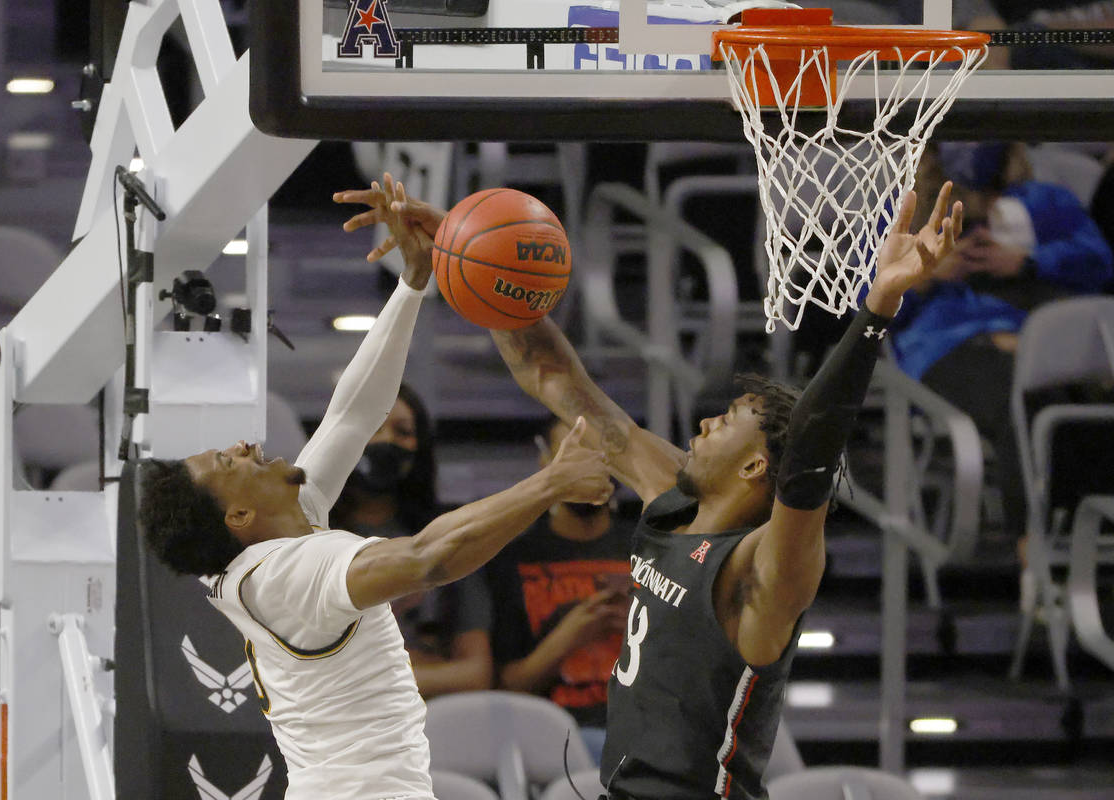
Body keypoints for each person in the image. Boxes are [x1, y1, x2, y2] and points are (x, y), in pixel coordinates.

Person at [380, 180, 963, 798]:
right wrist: (467, 255)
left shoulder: (765, 569)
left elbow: (815, 446)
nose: (705, 423)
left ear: (755, 469)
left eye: (729, 420)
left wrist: (874, 312)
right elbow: (553, 377)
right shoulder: (675, 499)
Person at [136, 174, 614, 800]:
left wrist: (413, 285)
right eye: (229, 462)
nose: (246, 445)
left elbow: (352, 415)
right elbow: (427, 558)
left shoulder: (270, 538)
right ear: (240, 514)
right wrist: (549, 484)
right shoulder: (288, 575)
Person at [891, 142, 1113, 551]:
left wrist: (1028, 261)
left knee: (1078, 402)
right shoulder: (907, 207)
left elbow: (1099, 262)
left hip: (1034, 335)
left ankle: (1088, 535)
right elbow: (864, 303)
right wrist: (927, 273)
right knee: (1019, 398)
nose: (972, 145)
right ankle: (1035, 550)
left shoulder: (1043, 200)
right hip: (945, 344)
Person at [330, 383, 494, 698]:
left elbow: (475, 674)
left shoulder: (447, 538)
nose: (386, 441)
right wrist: (421, 670)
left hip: (433, 725)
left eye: (403, 431)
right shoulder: (313, 536)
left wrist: (364, 679)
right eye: (372, 427)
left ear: (420, 446)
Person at [485, 418, 635, 762]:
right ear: (545, 463)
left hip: (649, 732)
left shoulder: (652, 549)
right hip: (553, 741)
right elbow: (504, 686)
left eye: (601, 451)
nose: (587, 462)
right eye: (572, 451)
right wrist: (570, 636)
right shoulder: (510, 560)